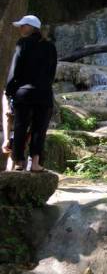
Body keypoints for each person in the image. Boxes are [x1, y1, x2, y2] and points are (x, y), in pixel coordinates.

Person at [4, 15, 57, 171]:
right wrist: (45, 87)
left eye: (23, 25)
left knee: (20, 127)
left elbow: (15, 70)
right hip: (44, 94)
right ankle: (35, 163)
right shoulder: (50, 46)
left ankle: (19, 162)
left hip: (24, 93)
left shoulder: (23, 44)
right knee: (39, 130)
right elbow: (52, 73)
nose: (20, 28)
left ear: (31, 27)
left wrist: (9, 91)